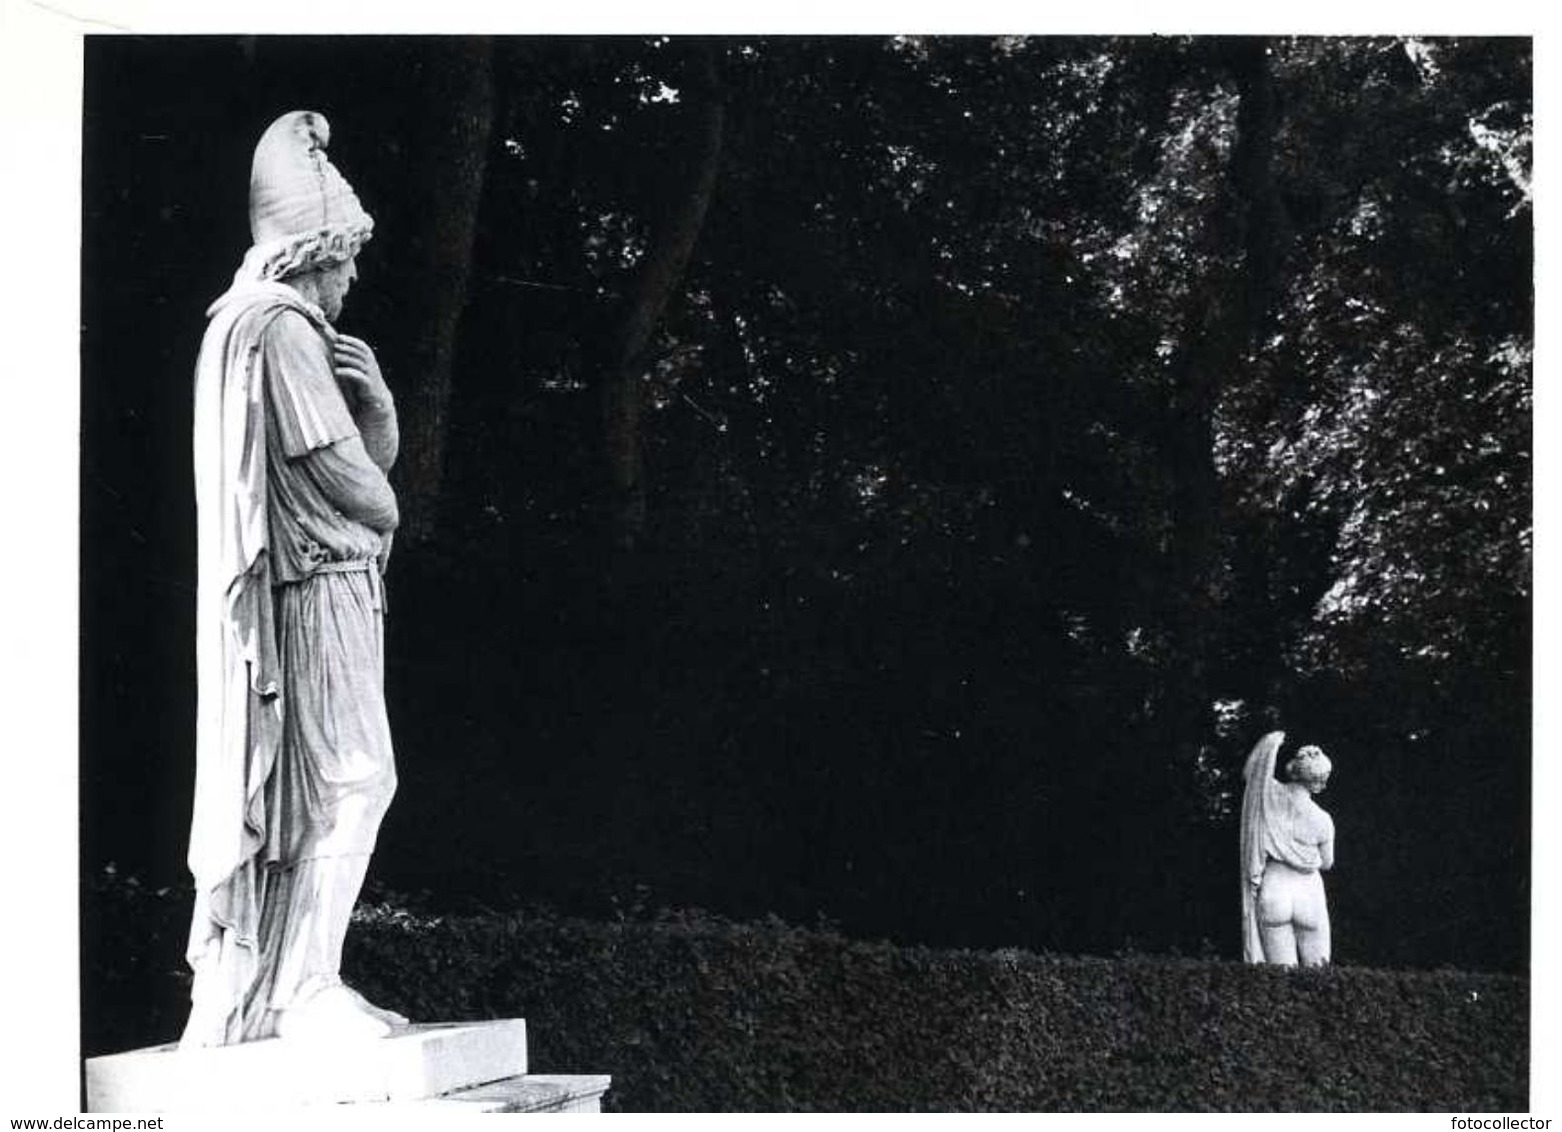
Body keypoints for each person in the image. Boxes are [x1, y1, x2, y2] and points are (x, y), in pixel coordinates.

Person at [183, 110, 407, 1045]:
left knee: (337, 784)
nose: (353, 276)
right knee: (351, 779)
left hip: (328, 586)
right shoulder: (281, 331)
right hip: (315, 592)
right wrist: (377, 467)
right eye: (346, 257)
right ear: (313, 253)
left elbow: (365, 461)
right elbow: (362, 486)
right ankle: (299, 989)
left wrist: (380, 406)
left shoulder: (271, 331)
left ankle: (299, 980)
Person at [1239, 730, 1335, 966]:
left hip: (1274, 890)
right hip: (1307, 892)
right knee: (1317, 976)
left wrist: (1268, 746)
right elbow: (1327, 863)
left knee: (1278, 979)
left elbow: (1251, 775)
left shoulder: (1268, 796)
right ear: (1320, 782)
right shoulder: (1323, 819)